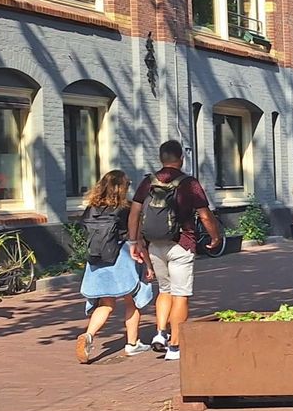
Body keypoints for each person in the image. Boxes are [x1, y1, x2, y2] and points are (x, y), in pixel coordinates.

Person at [129, 141, 220, 362]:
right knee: (180, 294)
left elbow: (134, 213)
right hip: (182, 243)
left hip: (154, 244)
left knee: (164, 290)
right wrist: (215, 236)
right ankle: (175, 345)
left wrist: (134, 241)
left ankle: (161, 333)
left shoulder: (148, 182)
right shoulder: (189, 183)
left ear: (161, 158)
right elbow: (205, 215)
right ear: (181, 158)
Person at [76, 170, 156, 363]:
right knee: (132, 301)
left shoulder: (91, 209)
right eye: (128, 184)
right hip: (122, 258)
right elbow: (137, 240)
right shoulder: (126, 209)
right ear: (122, 188)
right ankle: (132, 344)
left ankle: (88, 335)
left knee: (106, 304)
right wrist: (148, 265)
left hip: (97, 260)